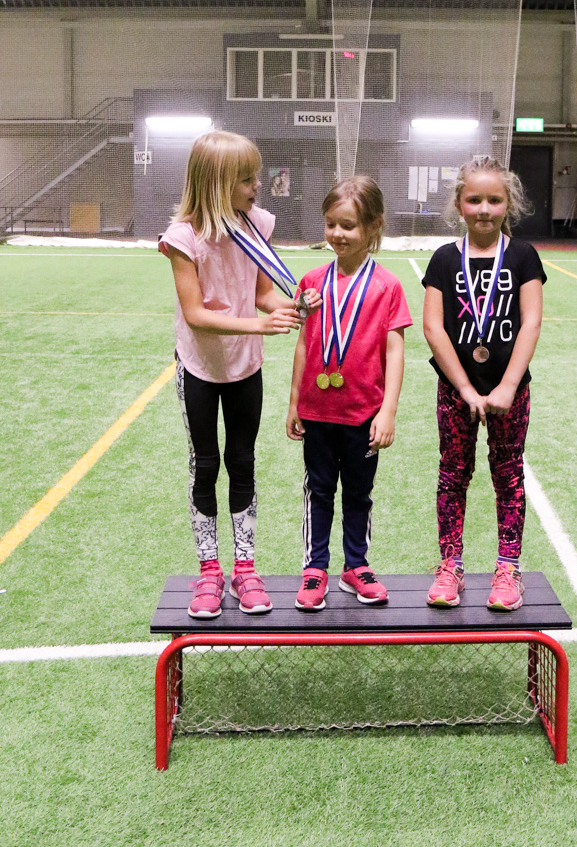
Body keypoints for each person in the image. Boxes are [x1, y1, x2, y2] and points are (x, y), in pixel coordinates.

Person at [159, 130, 318, 618]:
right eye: (247, 179)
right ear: (217, 183)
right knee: (206, 464)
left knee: (242, 461)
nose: (258, 186)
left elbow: (263, 293)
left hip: (245, 367)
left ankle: (245, 568)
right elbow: (195, 314)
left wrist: (290, 306)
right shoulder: (183, 238)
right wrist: (258, 324)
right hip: (200, 367)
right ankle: (209, 571)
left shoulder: (257, 224)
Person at [422, 156, 546, 611]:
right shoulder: (443, 259)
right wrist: (465, 389)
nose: (484, 209)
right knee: (453, 475)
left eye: (494, 200)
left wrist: (508, 385)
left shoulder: (522, 256)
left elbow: (531, 322)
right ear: (459, 204)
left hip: (510, 391)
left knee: (508, 475)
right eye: (474, 200)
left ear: (508, 203)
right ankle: (450, 565)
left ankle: (508, 569)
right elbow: (433, 328)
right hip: (456, 390)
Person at [286, 176, 412, 611]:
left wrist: (388, 411)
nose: (337, 234)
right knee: (318, 491)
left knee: (359, 493)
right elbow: (304, 343)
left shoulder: (387, 286)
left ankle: (355, 565)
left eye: (348, 225)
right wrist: (294, 402)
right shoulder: (311, 282)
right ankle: (315, 567)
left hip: (363, 413)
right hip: (318, 411)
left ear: (373, 227)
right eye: (331, 224)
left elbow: (395, 351)